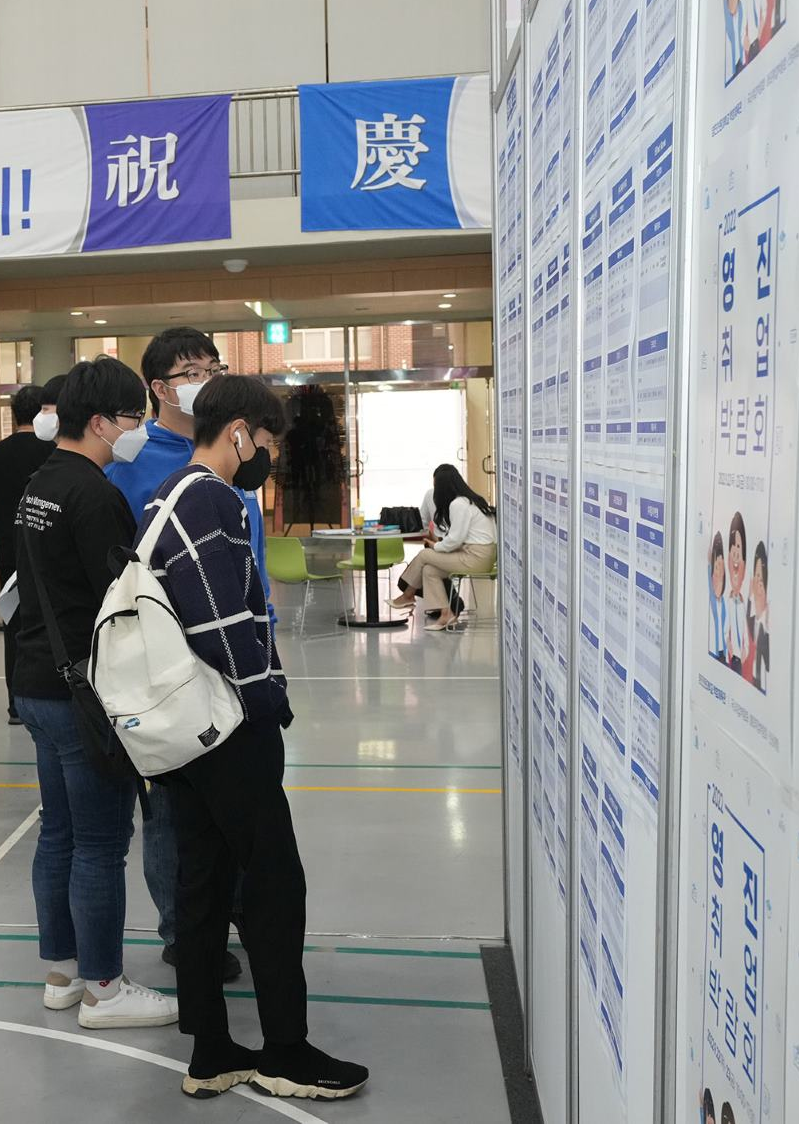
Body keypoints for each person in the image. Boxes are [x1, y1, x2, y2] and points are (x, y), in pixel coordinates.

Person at [137, 375, 369, 1102]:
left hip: (188, 729)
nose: (266, 455)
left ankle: (211, 1048)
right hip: (227, 726)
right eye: (264, 440)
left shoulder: (166, 494)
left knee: (203, 883)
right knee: (273, 883)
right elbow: (223, 624)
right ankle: (286, 1051)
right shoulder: (210, 498)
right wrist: (269, 702)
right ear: (238, 431)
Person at [10, 356, 179, 1030]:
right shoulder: (94, 495)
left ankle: (64, 971)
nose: (139, 429)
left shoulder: (39, 483)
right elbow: (123, 599)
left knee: (59, 831)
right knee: (101, 842)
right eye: (134, 417)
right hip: (83, 691)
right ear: (104, 422)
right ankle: (104, 989)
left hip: (35, 678)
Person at [105, 327, 265, 981]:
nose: (204, 380)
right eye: (190, 371)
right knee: (172, 806)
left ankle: (236, 908)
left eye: (211, 368)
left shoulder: (233, 448)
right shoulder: (131, 463)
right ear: (160, 387)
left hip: (239, 650)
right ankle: (184, 930)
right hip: (171, 657)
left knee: (240, 795)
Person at [0, 378, 60, 726]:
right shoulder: (55, 451)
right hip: (50, 553)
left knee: (15, 627)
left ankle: (15, 704)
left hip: (12, 554)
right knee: (51, 623)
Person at [390, 464, 498, 629]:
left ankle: (408, 594)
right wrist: (439, 545)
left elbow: (455, 540)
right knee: (429, 570)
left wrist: (436, 546)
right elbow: (458, 540)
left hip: (476, 557)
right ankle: (446, 614)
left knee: (425, 555)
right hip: (481, 555)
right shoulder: (469, 500)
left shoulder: (458, 504)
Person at [725, 513, 751, 671]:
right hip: (732, 657)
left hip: (740, 658)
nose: (735, 554)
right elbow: (726, 629)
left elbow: (746, 634)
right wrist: (729, 645)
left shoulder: (743, 604)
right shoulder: (728, 601)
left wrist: (744, 652)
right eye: (732, 548)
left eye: (739, 549)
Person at [743, 542, 769, 690]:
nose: (759, 582)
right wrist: (749, 597)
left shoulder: (767, 628)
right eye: (757, 576)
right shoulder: (752, 620)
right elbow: (748, 616)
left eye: (762, 578)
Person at [708, 533, 728, 661]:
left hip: (723, 654)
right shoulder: (712, 600)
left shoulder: (724, 603)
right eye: (716, 567)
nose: (719, 572)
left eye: (721, 566)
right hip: (714, 652)